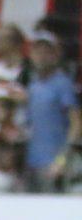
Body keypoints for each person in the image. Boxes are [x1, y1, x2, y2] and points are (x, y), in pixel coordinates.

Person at [23, 27, 78, 190]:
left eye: (47, 52)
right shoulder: (32, 85)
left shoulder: (63, 83)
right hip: (31, 163)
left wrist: (62, 160)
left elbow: (76, 124)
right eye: (37, 51)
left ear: (55, 55)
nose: (41, 56)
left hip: (54, 165)